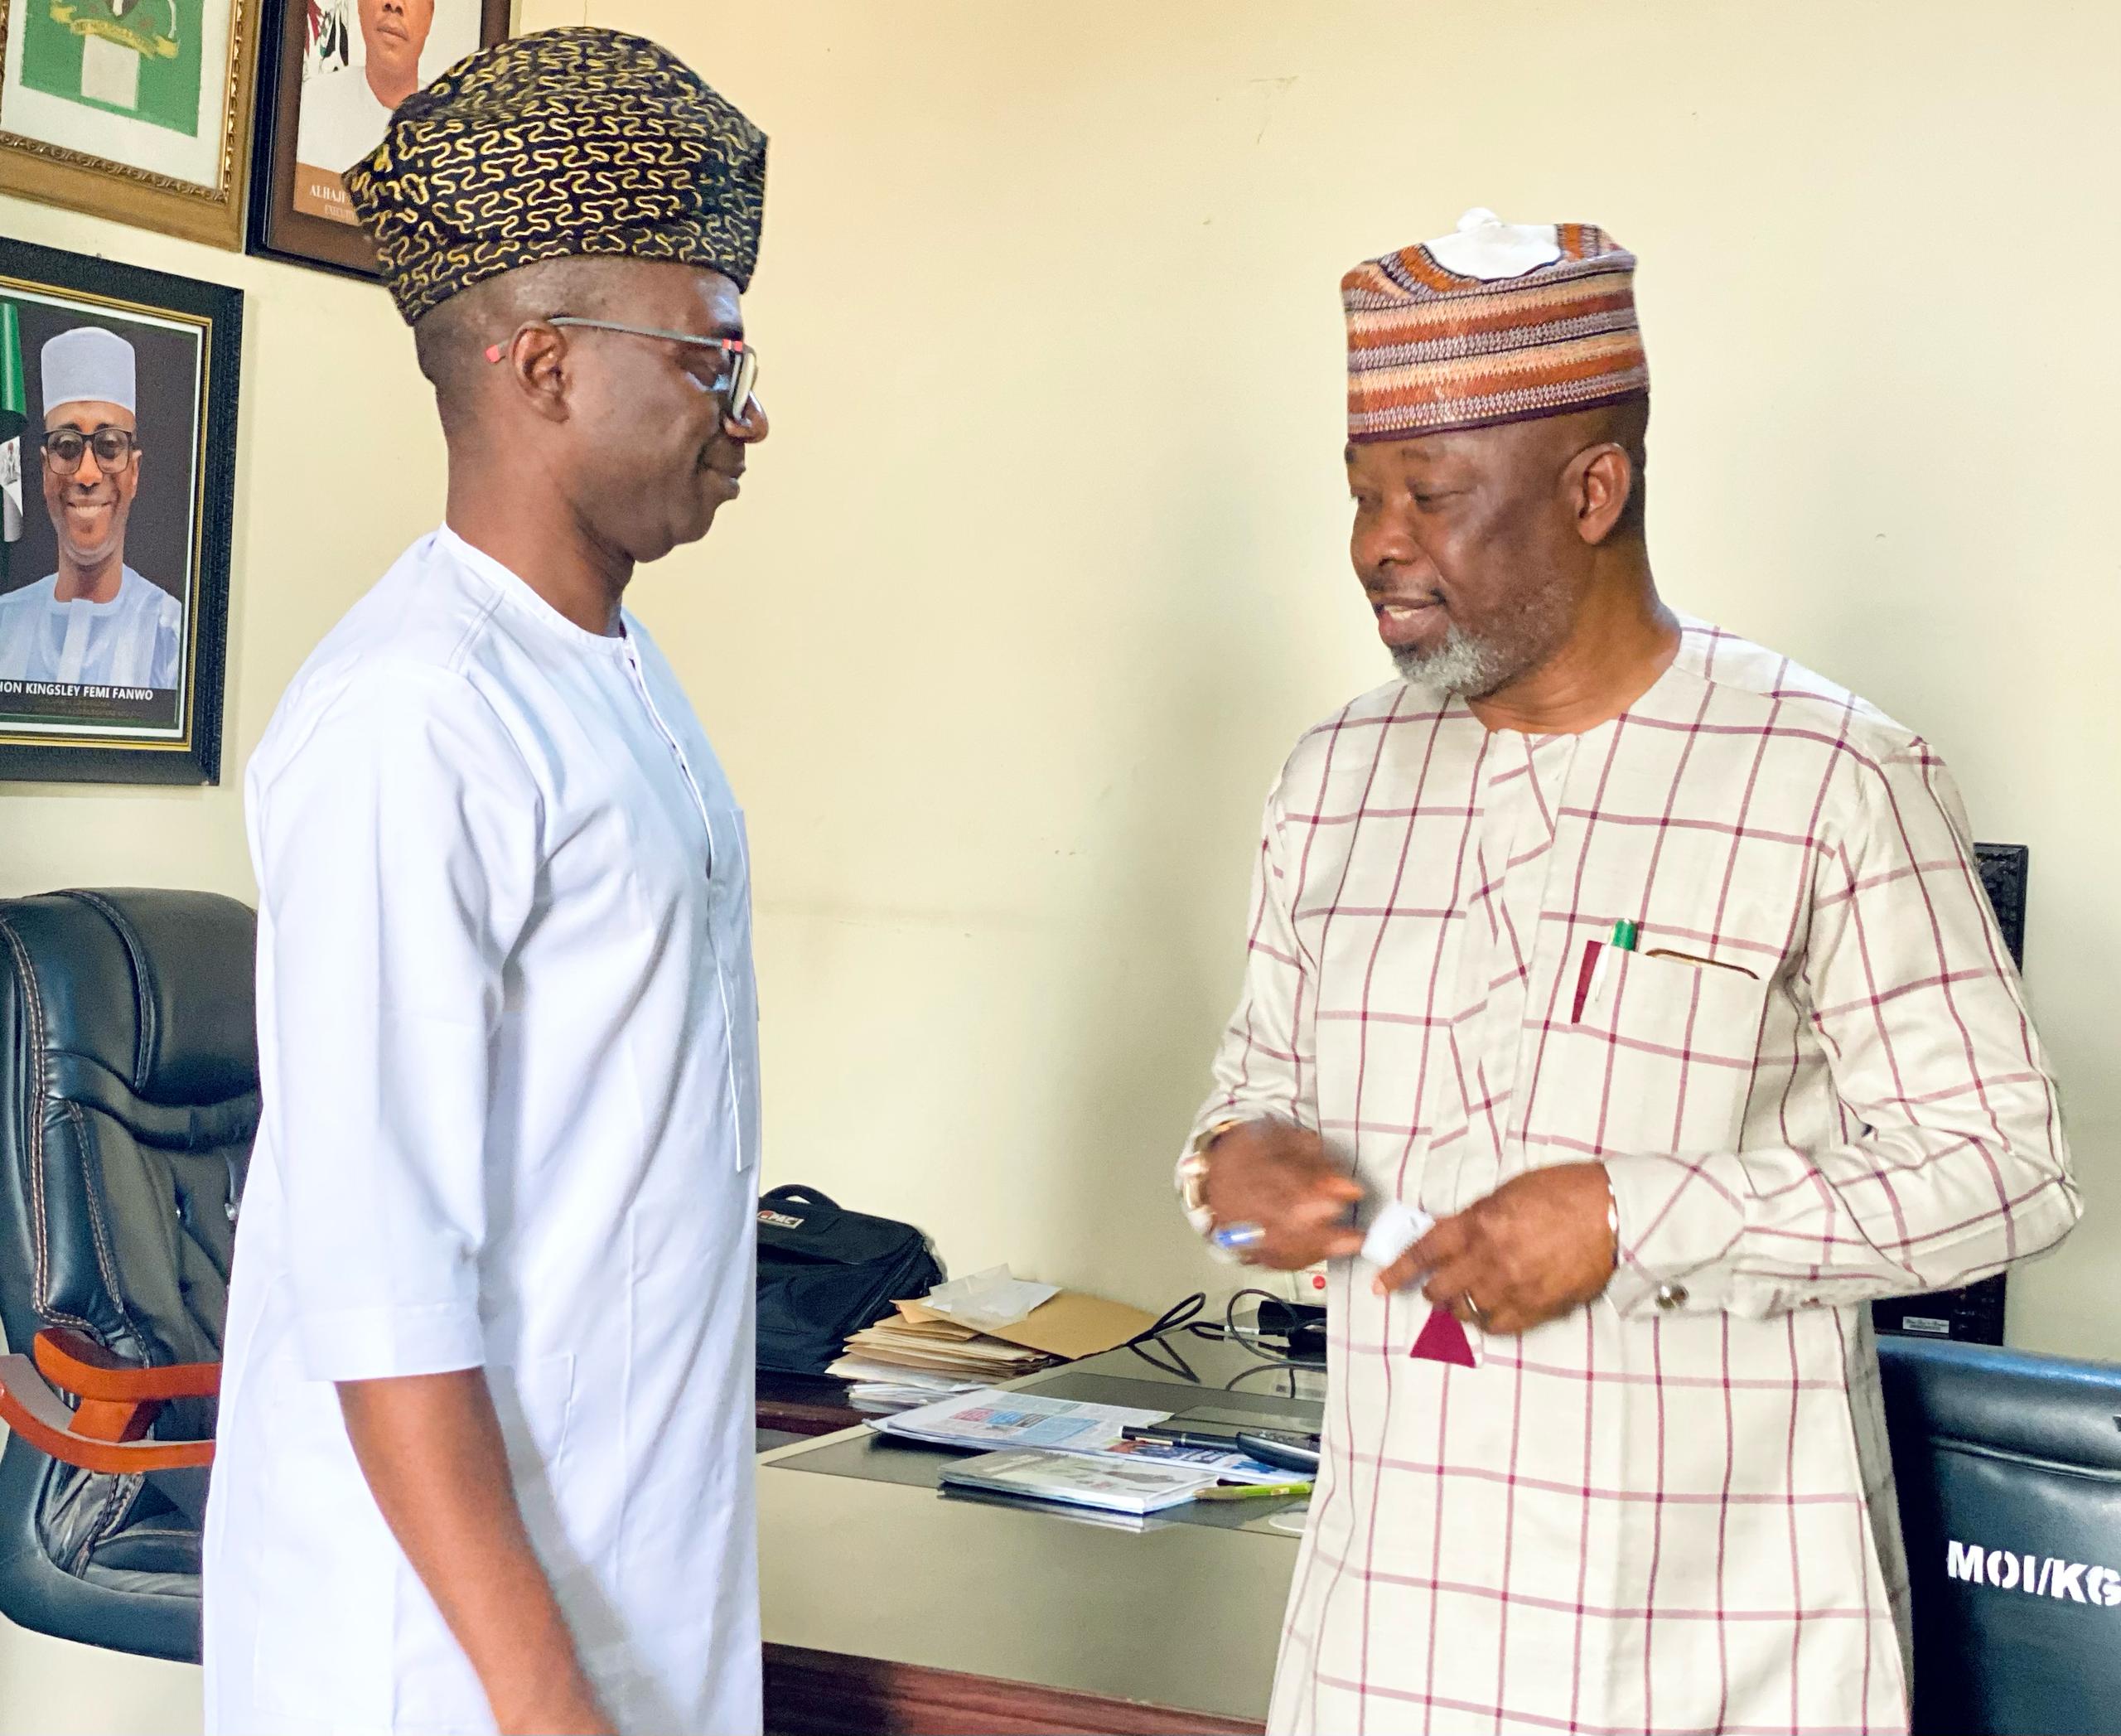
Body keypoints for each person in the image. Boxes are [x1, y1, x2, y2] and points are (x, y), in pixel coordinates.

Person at [1177, 209, 2080, 1734]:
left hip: (1721, 1654)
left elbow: (2009, 1168)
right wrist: (1232, 1171)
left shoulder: (1824, 773)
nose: (1380, 543)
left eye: (1432, 496)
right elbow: (1245, 1099)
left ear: (1593, 490)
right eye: (1363, 495)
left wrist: (1636, 1214)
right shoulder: (1333, 776)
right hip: (1383, 1651)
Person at [202, 28, 771, 1734]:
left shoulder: (609, 673)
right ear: (542, 368)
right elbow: (380, 1285)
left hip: (627, 1588)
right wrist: (544, 1705)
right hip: (441, 1665)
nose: (748, 409)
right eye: (709, 355)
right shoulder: (416, 717)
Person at [0, 326, 181, 689]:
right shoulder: (5, 624)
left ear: (134, 472)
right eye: (66, 446)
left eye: (109, 445)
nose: (87, 474)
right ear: (45, 470)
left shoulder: (172, 635)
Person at [297, 0, 436, 172]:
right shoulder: (307, 107)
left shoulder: (454, 134)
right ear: (359, 5)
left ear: (430, 16)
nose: (394, 4)